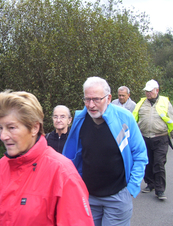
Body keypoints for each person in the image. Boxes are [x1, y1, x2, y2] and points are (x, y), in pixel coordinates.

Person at [0, 90, 94, 225]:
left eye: (11, 127)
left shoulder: (62, 173)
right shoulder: (1, 167)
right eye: (0, 128)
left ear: (34, 128)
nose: (3, 136)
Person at [63, 77, 148, 226]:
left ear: (108, 98)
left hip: (118, 197)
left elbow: (140, 154)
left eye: (96, 99)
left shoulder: (124, 118)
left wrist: (132, 188)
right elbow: (70, 158)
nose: (91, 105)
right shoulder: (80, 120)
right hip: (88, 197)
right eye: (87, 99)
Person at [133, 79, 173, 200]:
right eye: (146, 91)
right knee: (147, 163)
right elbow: (134, 121)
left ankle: (160, 190)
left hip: (161, 138)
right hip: (144, 138)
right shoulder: (141, 103)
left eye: (150, 91)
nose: (148, 93)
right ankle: (150, 184)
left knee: (159, 163)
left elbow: (172, 120)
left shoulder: (165, 102)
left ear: (157, 90)